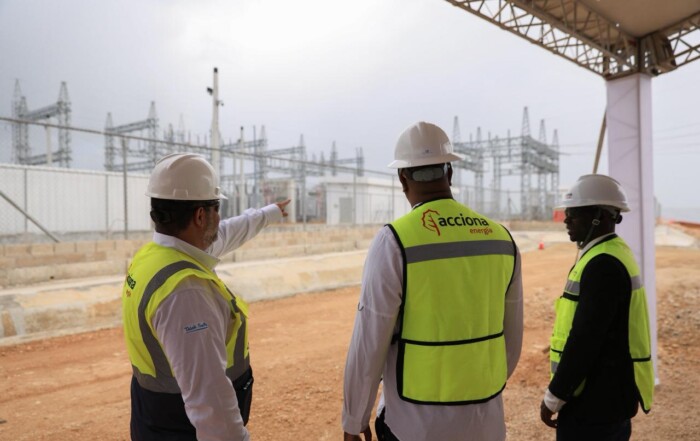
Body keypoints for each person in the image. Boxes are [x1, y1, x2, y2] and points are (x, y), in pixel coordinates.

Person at [342, 121, 524, 441]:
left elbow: (369, 342)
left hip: (415, 425)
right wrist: (477, 389)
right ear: (449, 172)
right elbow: (512, 341)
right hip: (486, 422)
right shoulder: (500, 239)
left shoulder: (394, 241)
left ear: (402, 178)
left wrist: (354, 419)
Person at [122, 152, 290, 441]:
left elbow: (224, 233)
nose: (220, 218)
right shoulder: (186, 293)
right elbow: (210, 402)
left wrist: (268, 213)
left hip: (154, 416)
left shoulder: (156, 255)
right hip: (181, 428)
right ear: (201, 216)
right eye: (216, 208)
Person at [540, 174, 654, 441]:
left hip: (594, 404)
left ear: (600, 216)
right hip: (606, 397)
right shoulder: (610, 252)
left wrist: (555, 396)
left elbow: (585, 340)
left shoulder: (602, 264)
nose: (566, 220)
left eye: (574, 214)